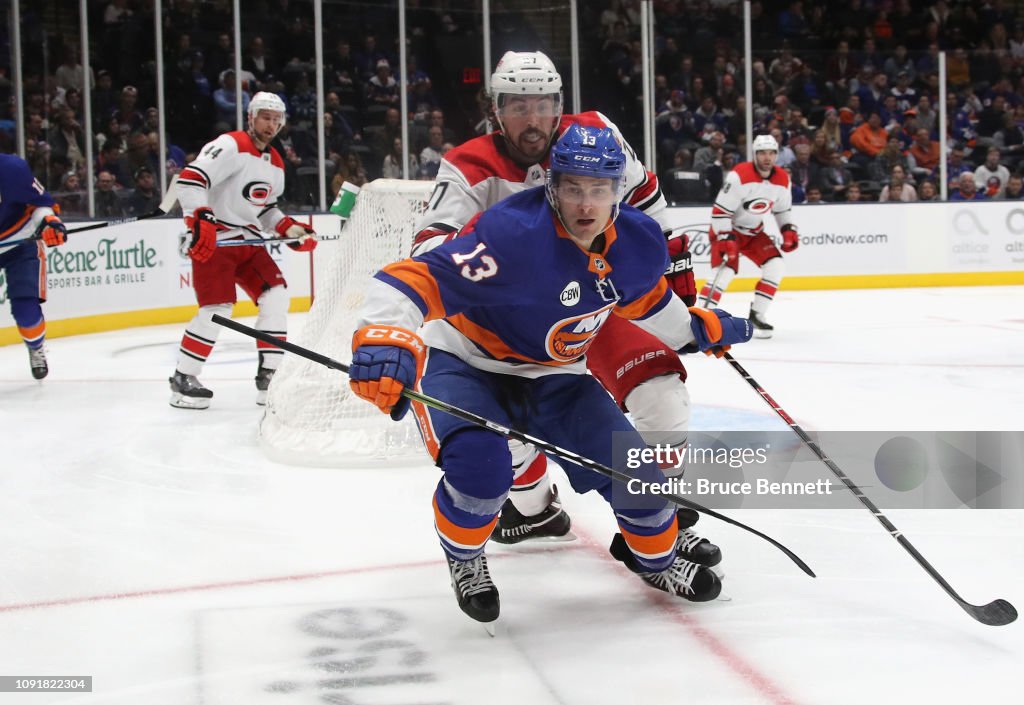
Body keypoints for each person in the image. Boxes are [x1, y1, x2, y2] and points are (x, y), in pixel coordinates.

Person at [350, 125, 753, 626]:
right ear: (552, 186)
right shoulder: (511, 235)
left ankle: (658, 562)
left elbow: (646, 303)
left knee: (642, 484)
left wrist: (698, 328)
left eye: (600, 190)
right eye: (573, 188)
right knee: (480, 472)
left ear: (618, 191)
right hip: (468, 364)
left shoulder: (638, 241)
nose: (587, 204)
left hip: (558, 376)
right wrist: (383, 334)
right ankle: (465, 555)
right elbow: (416, 278)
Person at [411, 51, 713, 569]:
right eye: (518, 105)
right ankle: (532, 511)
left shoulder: (596, 135)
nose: (533, 119)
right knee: (510, 424)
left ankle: (662, 516)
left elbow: (644, 192)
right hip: (521, 319)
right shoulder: (469, 164)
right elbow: (428, 246)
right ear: (495, 110)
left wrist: (671, 259)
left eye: (544, 104)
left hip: (598, 302)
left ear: (560, 105)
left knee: (664, 395)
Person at [170, 92, 318, 409]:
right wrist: (200, 219)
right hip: (218, 240)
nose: (272, 124)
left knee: (276, 295)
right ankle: (183, 377)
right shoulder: (230, 144)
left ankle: (269, 375)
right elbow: (190, 178)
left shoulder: (276, 163)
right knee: (217, 309)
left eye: (277, 119)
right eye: (265, 117)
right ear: (251, 118)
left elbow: (265, 210)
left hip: (248, 242)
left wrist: (289, 229)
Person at [698, 134, 798, 338]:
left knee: (775, 266)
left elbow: (782, 210)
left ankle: (757, 315)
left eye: (771, 153)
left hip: (754, 233)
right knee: (723, 273)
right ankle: (700, 318)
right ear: (754, 154)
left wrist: (788, 229)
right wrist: (726, 238)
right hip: (728, 230)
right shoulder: (739, 176)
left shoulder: (782, 179)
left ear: (777, 155)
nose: (767, 157)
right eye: (762, 153)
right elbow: (720, 212)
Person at [0, 153, 69, 378]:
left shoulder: (12, 168)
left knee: (26, 313)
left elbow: (40, 204)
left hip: (19, 241)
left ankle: (36, 346)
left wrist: (50, 223)